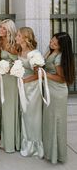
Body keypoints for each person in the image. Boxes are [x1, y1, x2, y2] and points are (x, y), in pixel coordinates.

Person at [43, 32, 75, 164]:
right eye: (51, 41)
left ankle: (57, 154)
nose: (51, 43)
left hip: (57, 92)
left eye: (55, 43)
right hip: (49, 89)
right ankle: (49, 151)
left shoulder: (59, 58)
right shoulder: (51, 52)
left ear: (62, 46)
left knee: (56, 122)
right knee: (50, 121)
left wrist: (44, 74)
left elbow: (62, 79)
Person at [15, 27, 44, 158]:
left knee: (32, 117)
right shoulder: (20, 50)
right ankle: (26, 144)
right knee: (24, 115)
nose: (16, 38)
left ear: (26, 38)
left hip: (32, 89)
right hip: (23, 87)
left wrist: (24, 80)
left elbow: (39, 75)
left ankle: (34, 147)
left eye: (18, 36)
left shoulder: (34, 54)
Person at [0, 19, 21, 153]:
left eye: (4, 28)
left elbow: (20, 61)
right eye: (0, 27)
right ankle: (3, 138)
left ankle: (11, 142)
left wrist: (10, 66)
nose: (1, 30)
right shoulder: (0, 42)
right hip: (2, 78)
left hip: (11, 79)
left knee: (9, 108)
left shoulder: (15, 45)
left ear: (10, 30)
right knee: (2, 107)